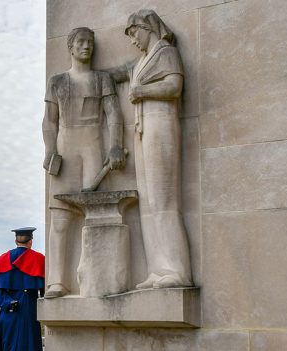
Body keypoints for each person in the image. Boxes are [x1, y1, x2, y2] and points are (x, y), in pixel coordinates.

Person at [107, 9, 192, 289]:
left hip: (161, 125)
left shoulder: (165, 52)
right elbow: (117, 74)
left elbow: (174, 85)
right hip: (143, 131)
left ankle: (177, 270)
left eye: (134, 33)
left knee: (164, 200)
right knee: (149, 203)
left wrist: (142, 92)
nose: (133, 40)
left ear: (147, 28)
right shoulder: (142, 61)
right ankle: (157, 269)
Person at [42, 26, 126, 298]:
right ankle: (56, 281)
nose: (86, 46)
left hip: (93, 146)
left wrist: (114, 146)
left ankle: (96, 278)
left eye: (89, 42)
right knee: (60, 218)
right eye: (80, 41)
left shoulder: (102, 78)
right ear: (70, 47)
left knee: (97, 213)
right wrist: (49, 150)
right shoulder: (57, 81)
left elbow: (114, 114)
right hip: (66, 147)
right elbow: (50, 120)